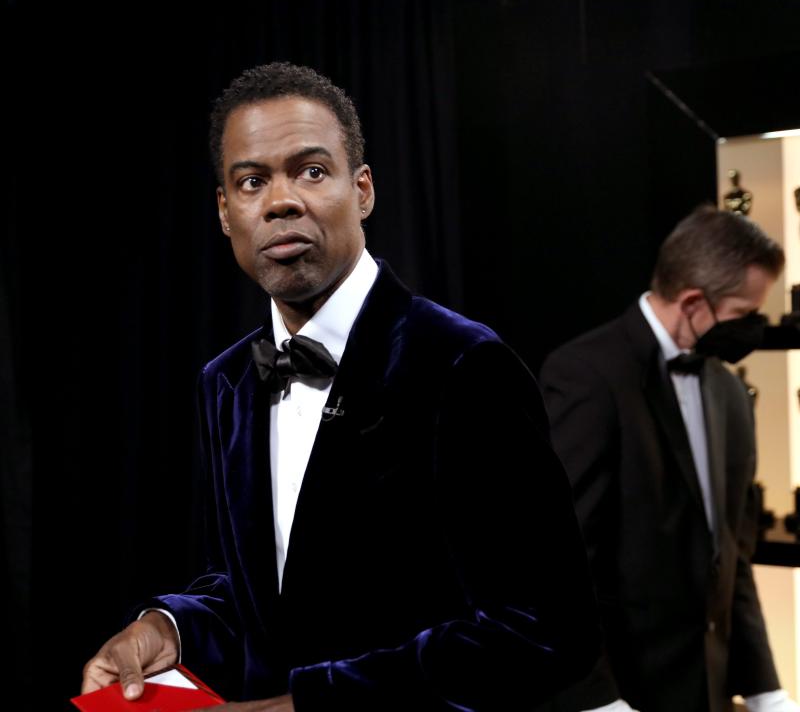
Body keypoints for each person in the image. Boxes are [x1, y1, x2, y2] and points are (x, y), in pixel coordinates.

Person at [81, 62, 601, 711]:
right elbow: (260, 594)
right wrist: (168, 628)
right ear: (224, 211)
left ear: (363, 191)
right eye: (251, 181)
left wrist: (306, 704)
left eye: (312, 171)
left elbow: (547, 629)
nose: (281, 201)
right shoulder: (227, 382)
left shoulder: (463, 363)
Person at [539, 206, 798, 712]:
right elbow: (556, 559)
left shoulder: (729, 390)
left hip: (710, 690)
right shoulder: (586, 375)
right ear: (694, 303)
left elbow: (731, 558)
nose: (754, 330)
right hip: (623, 693)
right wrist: (597, 698)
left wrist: (766, 690)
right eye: (745, 314)